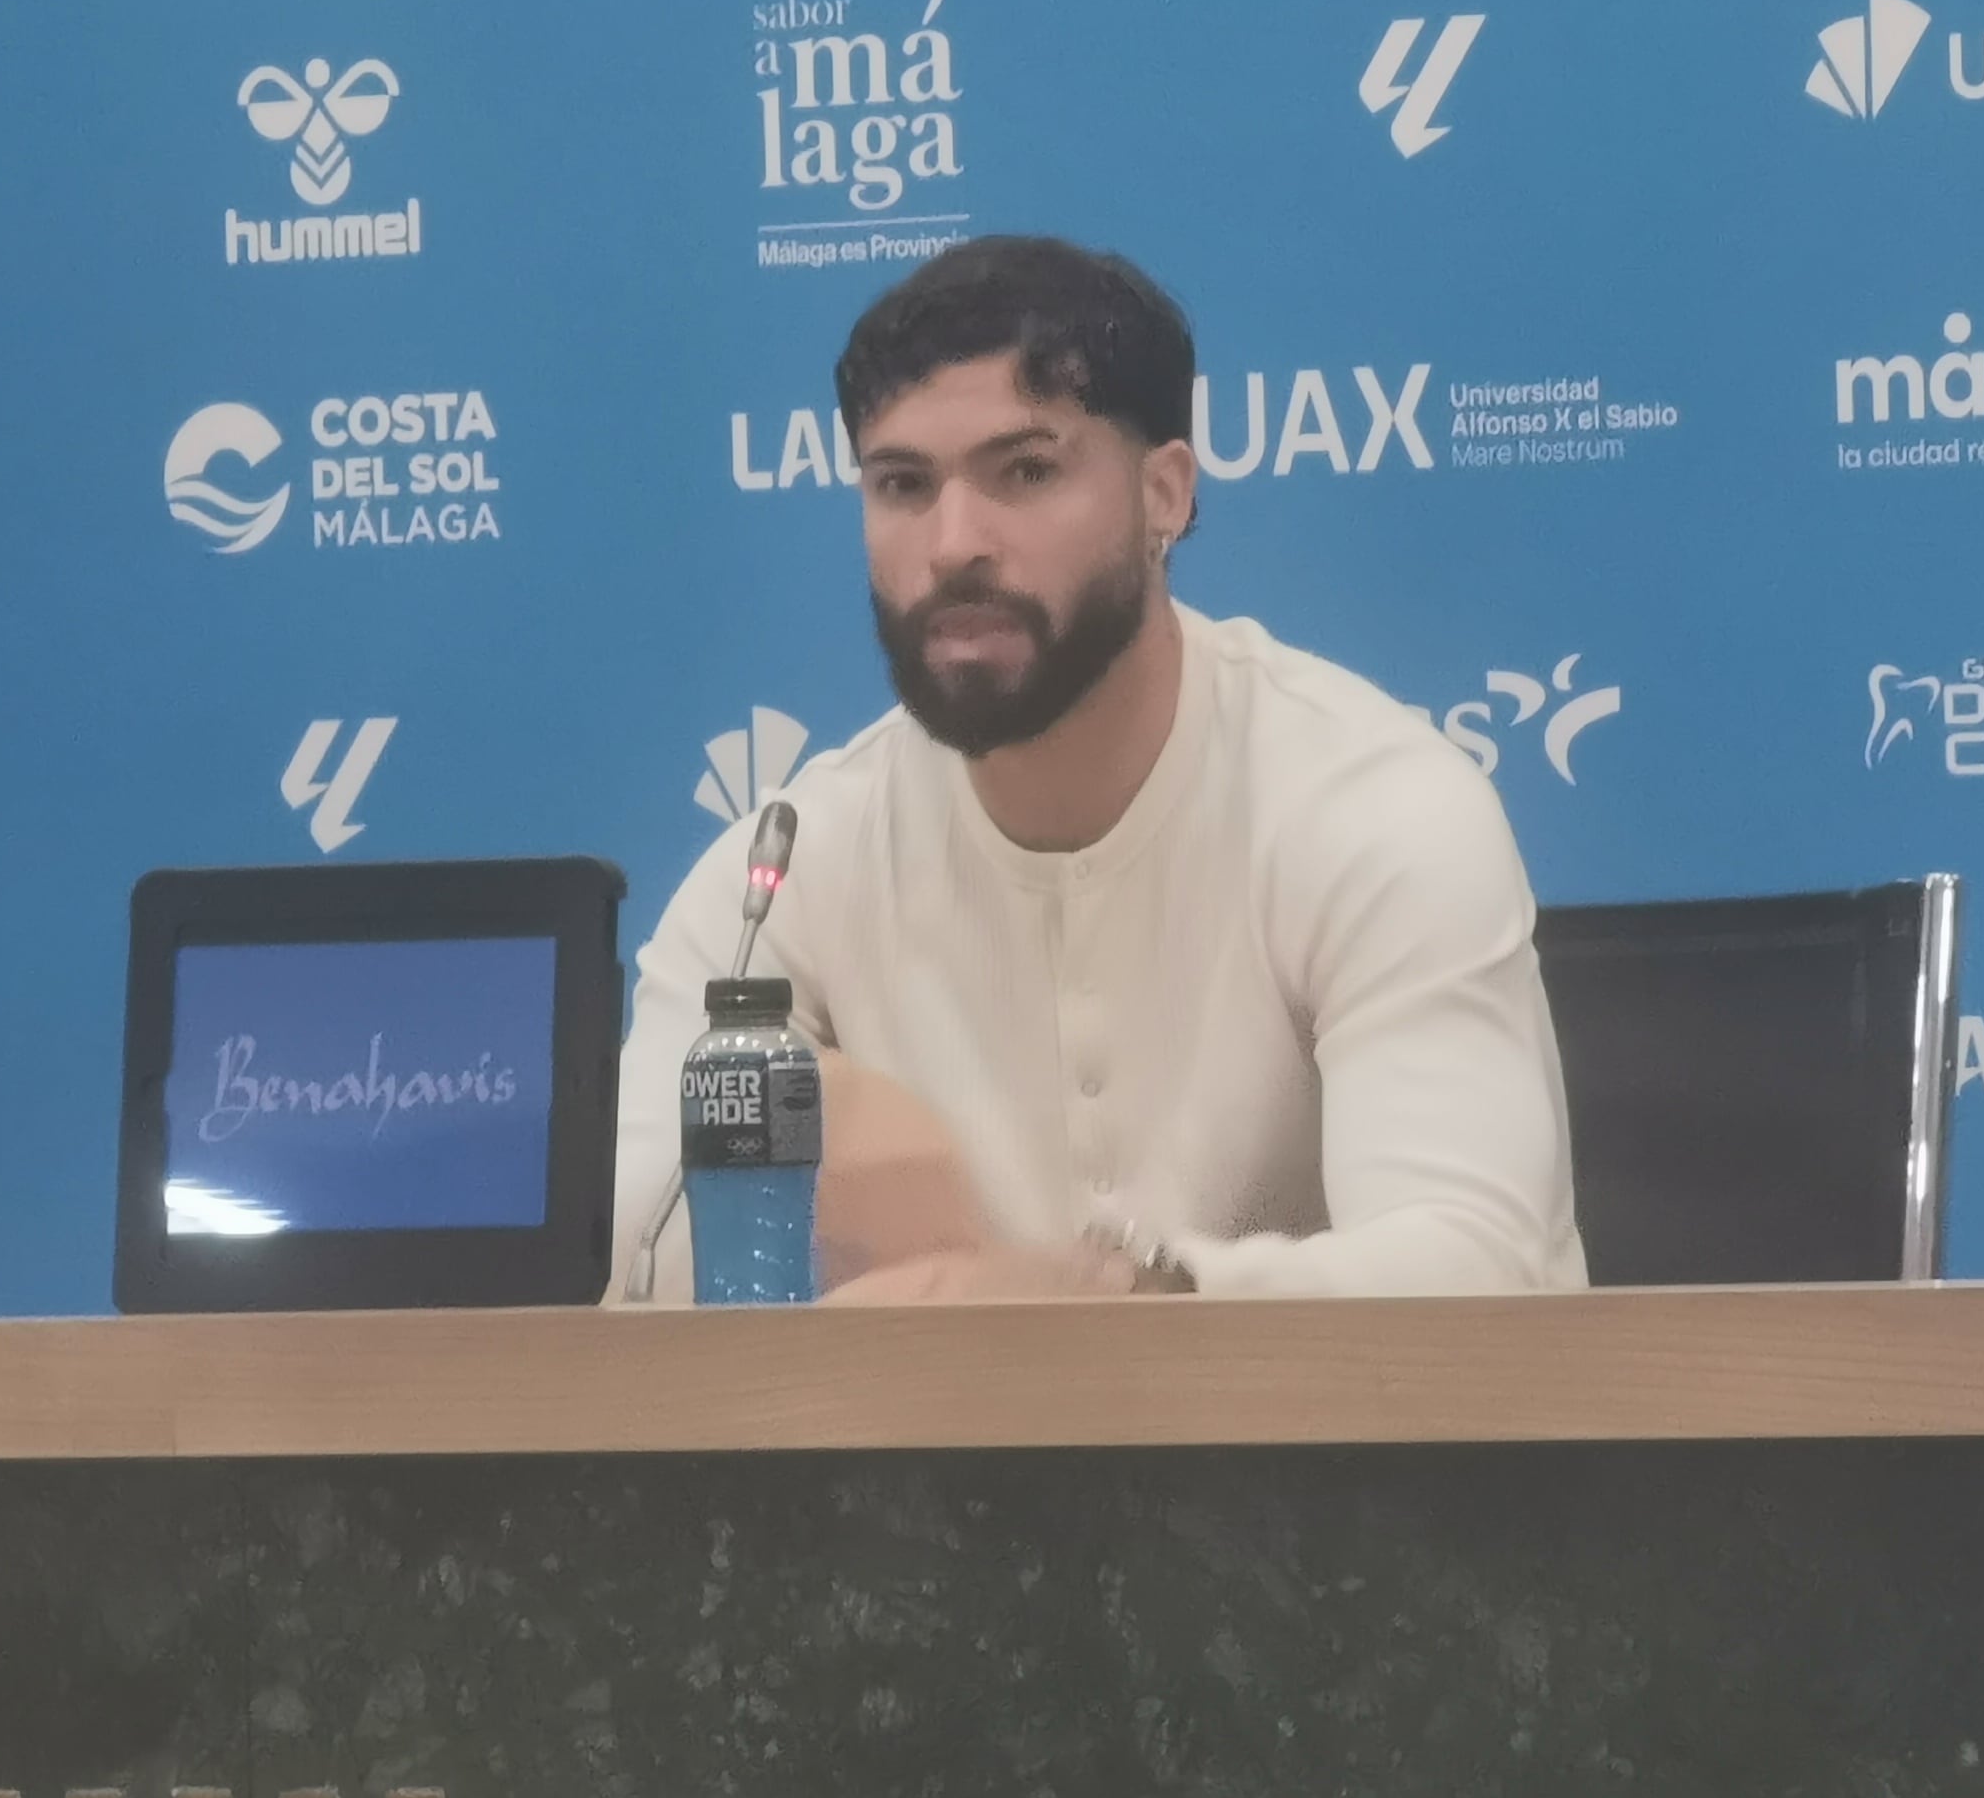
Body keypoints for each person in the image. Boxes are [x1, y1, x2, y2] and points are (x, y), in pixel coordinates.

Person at [609, 235, 1586, 1303]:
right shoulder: (783, 871)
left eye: (1025, 472)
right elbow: (631, 1269)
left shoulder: (1368, 806)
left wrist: (1114, 1299)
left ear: (1165, 494)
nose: (953, 544)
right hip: (921, 1472)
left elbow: (1473, 1271)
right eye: (902, 484)